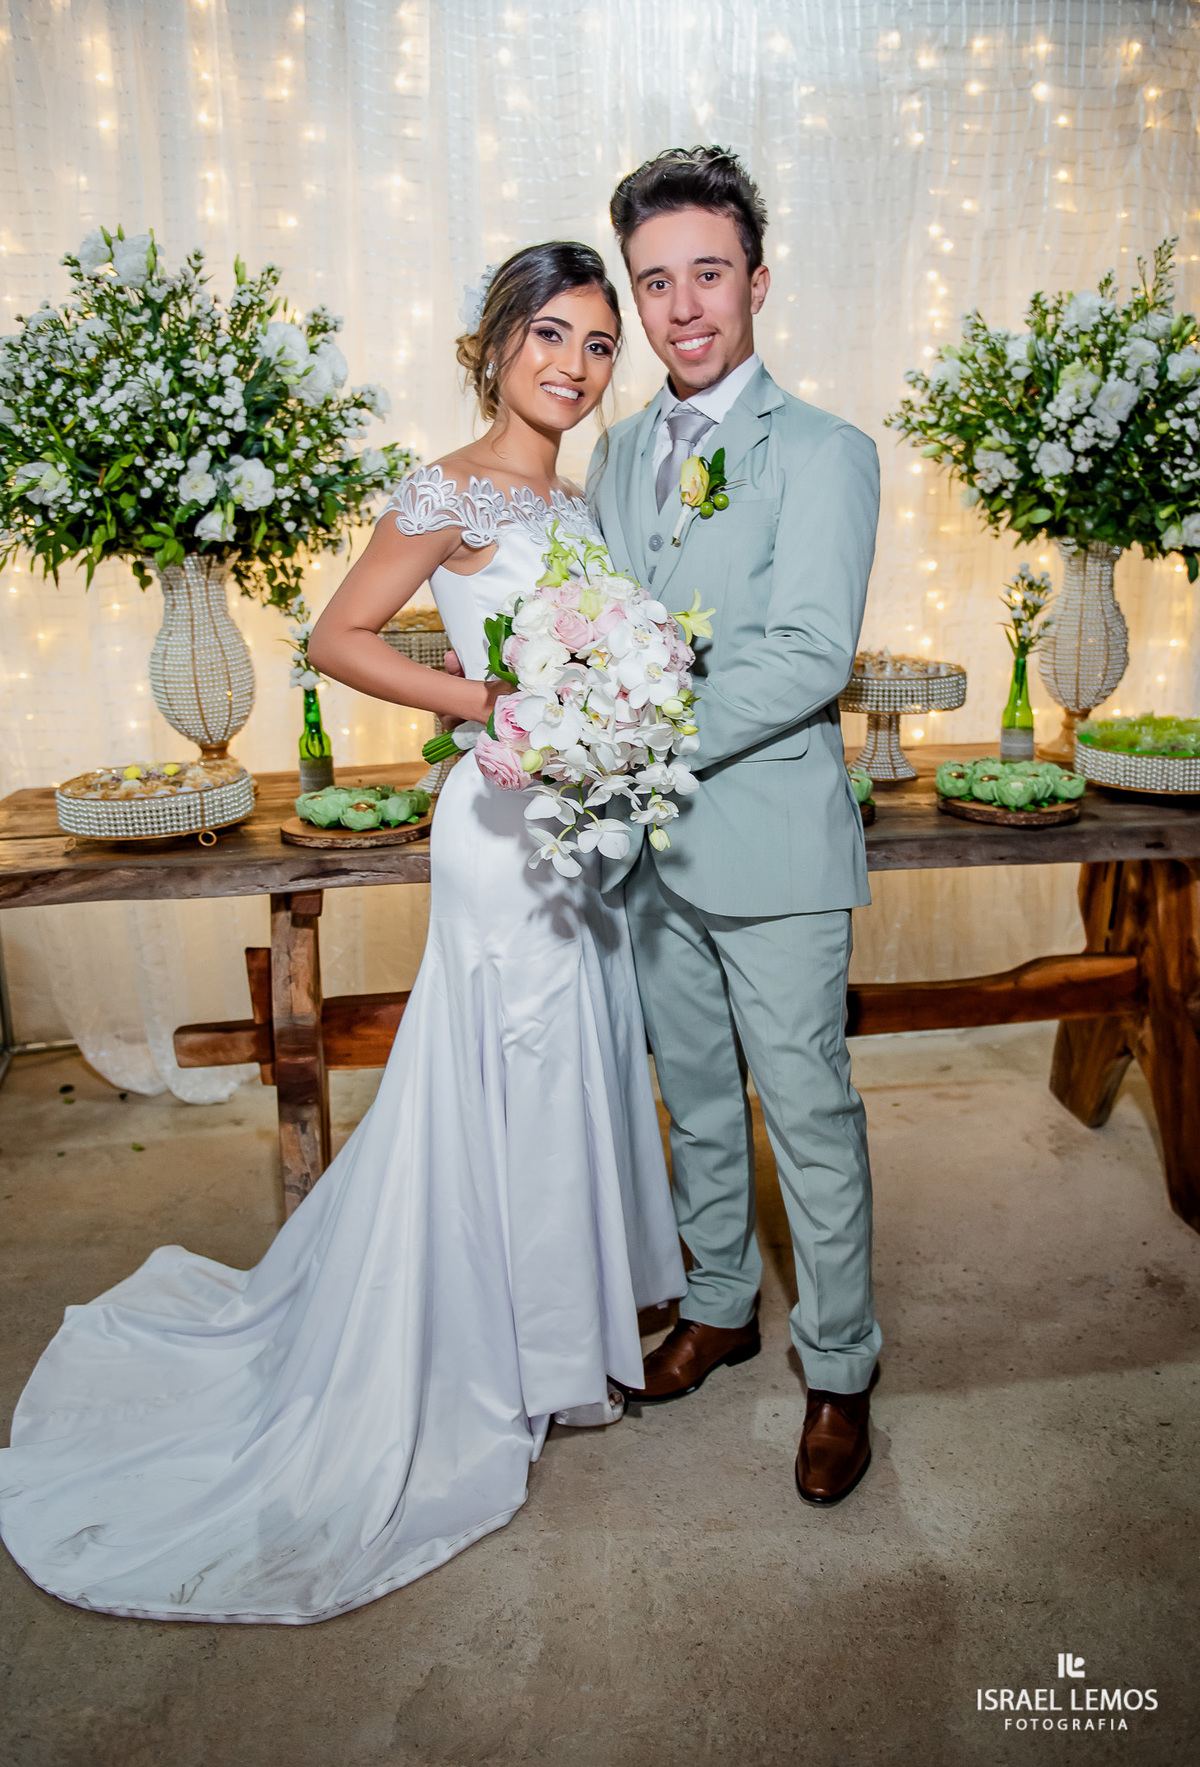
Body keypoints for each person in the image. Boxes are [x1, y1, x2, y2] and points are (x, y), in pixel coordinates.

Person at [0, 242, 685, 1625]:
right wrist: (493, 703)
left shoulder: (586, 495)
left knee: (576, 1048)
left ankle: (568, 1322)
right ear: (495, 342)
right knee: (513, 1054)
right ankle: (514, 1348)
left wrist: (612, 710)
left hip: (580, 819)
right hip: (503, 822)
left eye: (599, 343)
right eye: (550, 334)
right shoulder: (448, 488)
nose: (574, 365)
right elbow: (338, 637)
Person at [588, 147, 883, 1506]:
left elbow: (811, 654)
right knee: (696, 1096)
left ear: (758, 282)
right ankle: (720, 1302)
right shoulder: (616, 451)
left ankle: (840, 1366)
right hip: (649, 848)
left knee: (807, 1111)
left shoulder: (825, 452)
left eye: (708, 273)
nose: (683, 306)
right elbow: (597, 624)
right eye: (655, 282)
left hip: (772, 847)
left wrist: (633, 737)